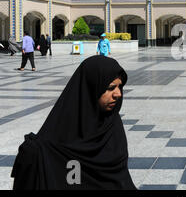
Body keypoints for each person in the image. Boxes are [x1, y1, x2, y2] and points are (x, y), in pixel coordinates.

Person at [11, 56, 136, 190]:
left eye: (120, 87)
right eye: (110, 88)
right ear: (90, 89)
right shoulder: (42, 152)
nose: (118, 94)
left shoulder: (112, 127)